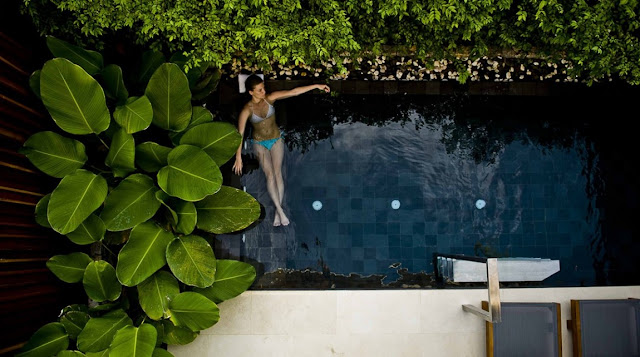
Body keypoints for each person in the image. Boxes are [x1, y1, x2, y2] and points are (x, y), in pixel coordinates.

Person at [233, 75, 330, 226]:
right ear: (251, 92)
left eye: (263, 87)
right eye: (259, 90)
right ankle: (280, 210)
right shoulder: (247, 110)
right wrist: (238, 156)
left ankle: (279, 212)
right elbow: (239, 133)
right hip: (260, 143)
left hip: (276, 139)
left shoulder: (270, 98)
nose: (263, 91)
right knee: (270, 174)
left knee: (278, 173)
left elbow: (293, 92)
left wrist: (316, 85)